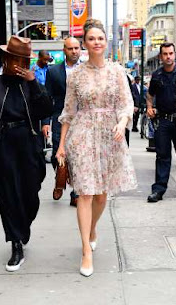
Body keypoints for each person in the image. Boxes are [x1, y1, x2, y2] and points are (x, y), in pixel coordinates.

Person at [56, 18, 137, 277]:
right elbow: (68, 112)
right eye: (91, 39)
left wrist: (122, 122)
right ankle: (85, 251)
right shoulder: (76, 75)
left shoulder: (117, 71)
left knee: (102, 196)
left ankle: (92, 229)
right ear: (85, 44)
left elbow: (126, 104)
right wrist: (61, 147)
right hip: (82, 135)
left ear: (105, 42)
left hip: (109, 138)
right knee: (85, 194)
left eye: (100, 38)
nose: (96, 42)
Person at [0, 35, 53, 271]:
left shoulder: (31, 84)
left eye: (23, 60)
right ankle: (16, 242)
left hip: (29, 143)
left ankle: (23, 225)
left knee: (31, 193)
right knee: (8, 194)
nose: (20, 64)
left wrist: (33, 83)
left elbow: (47, 108)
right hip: (3, 144)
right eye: (15, 59)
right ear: (6, 59)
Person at [42, 36, 81, 206]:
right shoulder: (53, 71)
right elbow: (48, 97)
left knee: (78, 156)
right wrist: (45, 121)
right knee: (58, 155)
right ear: (64, 50)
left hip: (81, 119)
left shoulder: (87, 69)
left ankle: (75, 192)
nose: (74, 51)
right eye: (70, 48)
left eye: (76, 48)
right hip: (59, 118)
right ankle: (61, 177)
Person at [147, 42, 176, 203]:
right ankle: (159, 190)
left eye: (171, 53)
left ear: (174, 54)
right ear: (161, 56)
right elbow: (150, 95)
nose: (168, 57)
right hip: (163, 120)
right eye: (165, 54)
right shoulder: (157, 75)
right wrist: (149, 107)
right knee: (162, 155)